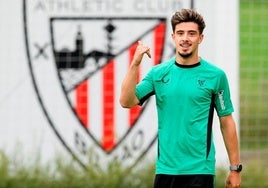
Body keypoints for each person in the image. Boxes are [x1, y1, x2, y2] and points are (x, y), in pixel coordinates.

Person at [119, 8, 241, 188]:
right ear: (173, 37)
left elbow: (226, 121)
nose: (185, 38)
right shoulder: (158, 74)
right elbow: (126, 101)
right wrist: (135, 63)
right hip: (166, 170)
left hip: (200, 170)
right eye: (181, 33)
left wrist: (235, 169)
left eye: (191, 34)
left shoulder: (215, 76)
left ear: (200, 38)